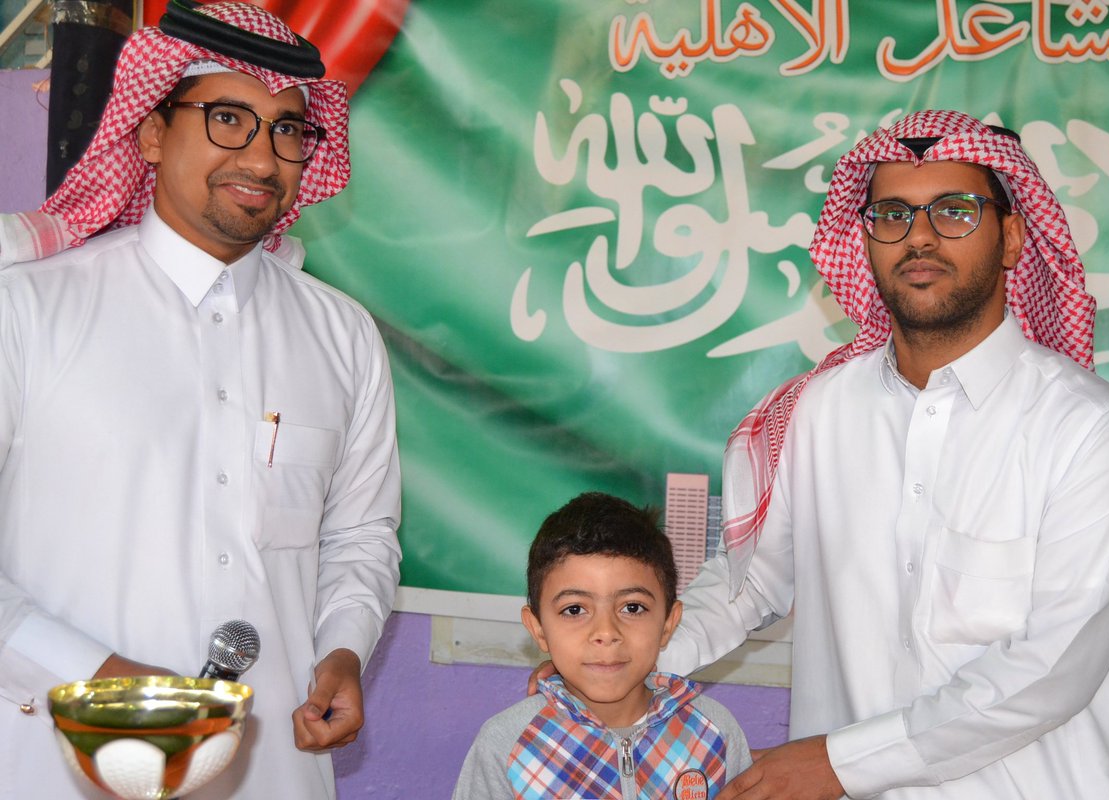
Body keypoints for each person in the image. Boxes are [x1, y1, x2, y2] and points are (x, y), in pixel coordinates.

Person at [655, 110, 1109, 799]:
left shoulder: (1087, 428)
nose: (919, 236)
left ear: (1012, 237)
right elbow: (748, 584)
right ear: (864, 238)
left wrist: (837, 764)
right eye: (893, 214)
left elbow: (1055, 665)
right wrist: (625, 662)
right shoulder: (817, 413)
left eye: (955, 211)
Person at [0, 2, 401, 798]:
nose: (261, 156)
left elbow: (360, 536)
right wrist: (97, 676)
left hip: (272, 765)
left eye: (287, 130)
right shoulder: (28, 311)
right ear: (151, 133)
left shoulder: (344, 336)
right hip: (60, 759)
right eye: (228, 118)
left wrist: (344, 651)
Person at [460, 492, 751, 799]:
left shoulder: (716, 733)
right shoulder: (506, 746)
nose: (606, 632)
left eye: (632, 608)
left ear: (669, 623)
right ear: (538, 629)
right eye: (575, 610)